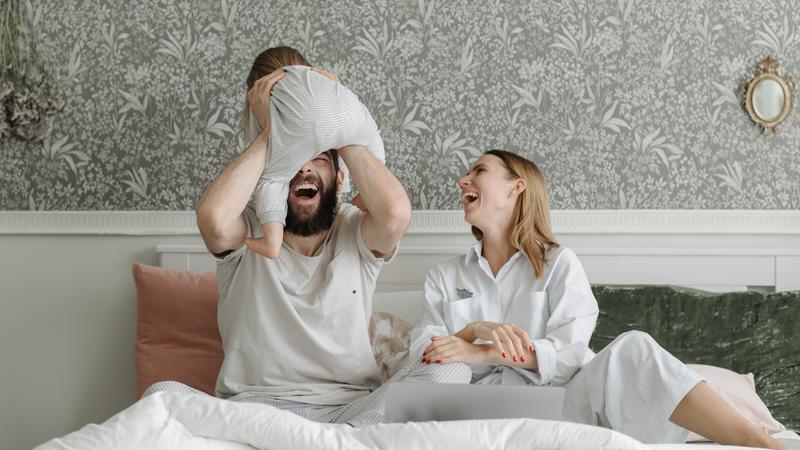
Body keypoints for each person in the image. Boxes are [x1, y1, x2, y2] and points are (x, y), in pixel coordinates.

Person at [144, 46, 471, 426]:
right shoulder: (247, 228)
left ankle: (323, 441)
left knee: (453, 370)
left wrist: (334, 112)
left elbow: (396, 213)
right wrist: (272, 131)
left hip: (347, 411)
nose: (303, 169)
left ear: (340, 176)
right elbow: (213, 220)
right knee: (161, 395)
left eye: (318, 157)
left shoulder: (357, 230)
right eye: (291, 160)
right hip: (254, 411)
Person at [410, 149, 786, 449]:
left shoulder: (558, 264)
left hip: (560, 407)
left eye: (479, 170)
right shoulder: (444, 277)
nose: (463, 181)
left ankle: (763, 442)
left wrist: (487, 352)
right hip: (472, 414)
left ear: (516, 188)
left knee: (633, 347)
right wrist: (474, 330)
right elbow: (420, 357)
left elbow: (569, 356)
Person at [243, 53, 385, 259]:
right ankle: (361, 193)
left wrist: (262, 126)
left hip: (298, 125)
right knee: (369, 137)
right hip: (348, 107)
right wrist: (339, 92)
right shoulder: (320, 82)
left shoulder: (263, 98)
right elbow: (349, 132)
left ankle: (272, 241)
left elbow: (260, 144)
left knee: (271, 178)